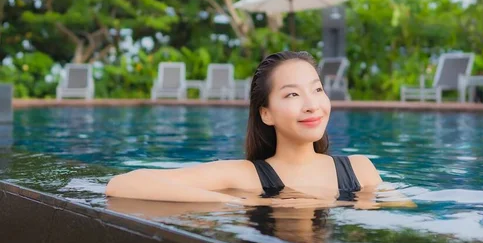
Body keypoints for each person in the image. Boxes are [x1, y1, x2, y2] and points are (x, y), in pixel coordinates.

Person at [105, 51, 383, 205]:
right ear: (266, 113)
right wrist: (246, 203)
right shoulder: (246, 176)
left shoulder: (359, 170)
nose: (312, 105)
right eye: (292, 95)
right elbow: (122, 184)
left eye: (317, 89)